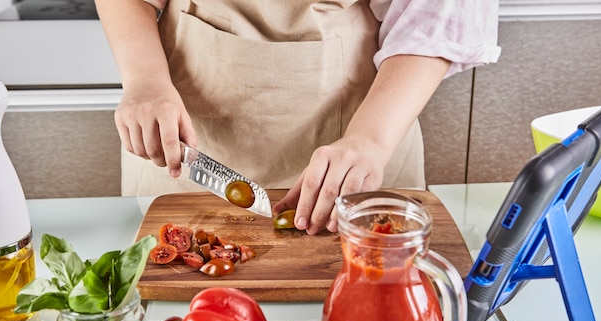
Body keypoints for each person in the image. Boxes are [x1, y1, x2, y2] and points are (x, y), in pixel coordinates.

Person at [94, 0, 500, 235]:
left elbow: (436, 13)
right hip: (183, 135)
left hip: (365, 124)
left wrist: (370, 139)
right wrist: (144, 78)